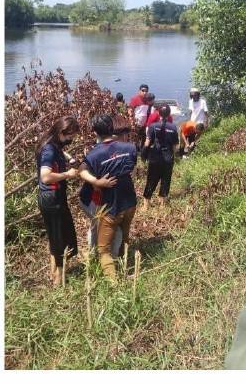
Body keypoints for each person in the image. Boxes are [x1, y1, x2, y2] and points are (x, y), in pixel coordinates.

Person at [79, 115, 137, 282]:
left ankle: (114, 286)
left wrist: (97, 181)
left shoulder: (94, 154)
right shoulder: (130, 147)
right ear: (112, 127)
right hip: (130, 202)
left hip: (111, 207)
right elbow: (130, 168)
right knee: (125, 236)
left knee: (103, 250)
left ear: (96, 132)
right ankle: (124, 266)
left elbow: (81, 171)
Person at [37, 117, 84, 286]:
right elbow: (46, 176)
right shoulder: (49, 150)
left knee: (55, 235)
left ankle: (54, 272)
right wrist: (67, 174)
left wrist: (69, 158)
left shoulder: (49, 142)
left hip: (52, 197)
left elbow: (59, 151)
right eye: (71, 136)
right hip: (52, 197)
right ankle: (58, 279)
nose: (72, 139)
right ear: (61, 133)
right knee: (61, 237)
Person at [142, 105, 178, 210]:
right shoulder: (173, 127)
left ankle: (146, 206)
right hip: (168, 158)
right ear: (169, 114)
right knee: (166, 180)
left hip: (155, 157)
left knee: (151, 180)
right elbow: (175, 147)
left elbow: (147, 143)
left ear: (159, 114)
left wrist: (144, 155)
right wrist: (175, 156)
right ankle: (162, 204)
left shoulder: (153, 126)